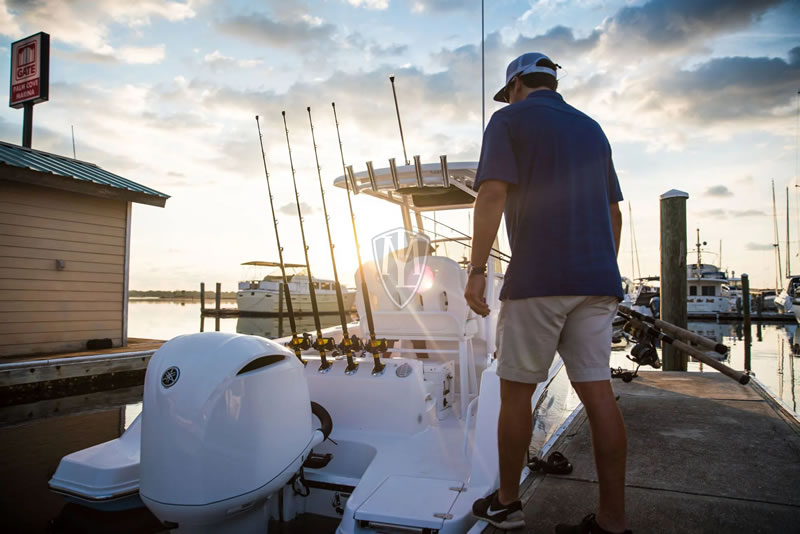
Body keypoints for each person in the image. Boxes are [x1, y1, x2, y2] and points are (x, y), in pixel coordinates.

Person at [465, 52, 630, 534]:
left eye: (508, 93)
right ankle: (612, 521)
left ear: (516, 84)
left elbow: (492, 193)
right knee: (598, 393)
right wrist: (601, 268)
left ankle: (508, 505)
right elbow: (614, 214)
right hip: (597, 282)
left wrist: (477, 270)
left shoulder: (508, 120)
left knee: (517, 393)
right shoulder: (592, 129)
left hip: (537, 279)